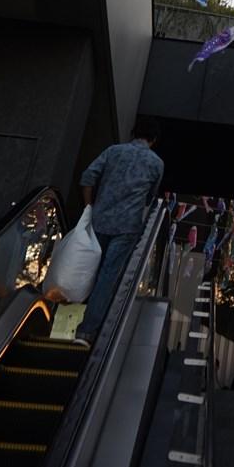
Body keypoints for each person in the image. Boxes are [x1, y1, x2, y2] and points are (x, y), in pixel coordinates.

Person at [73, 116, 164, 347]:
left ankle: (62, 309)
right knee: (107, 276)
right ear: (153, 139)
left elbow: (87, 177)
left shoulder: (113, 151)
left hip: (100, 220)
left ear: (133, 133)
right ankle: (86, 332)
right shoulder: (156, 163)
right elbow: (150, 199)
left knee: (88, 266)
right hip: (127, 227)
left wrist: (89, 208)